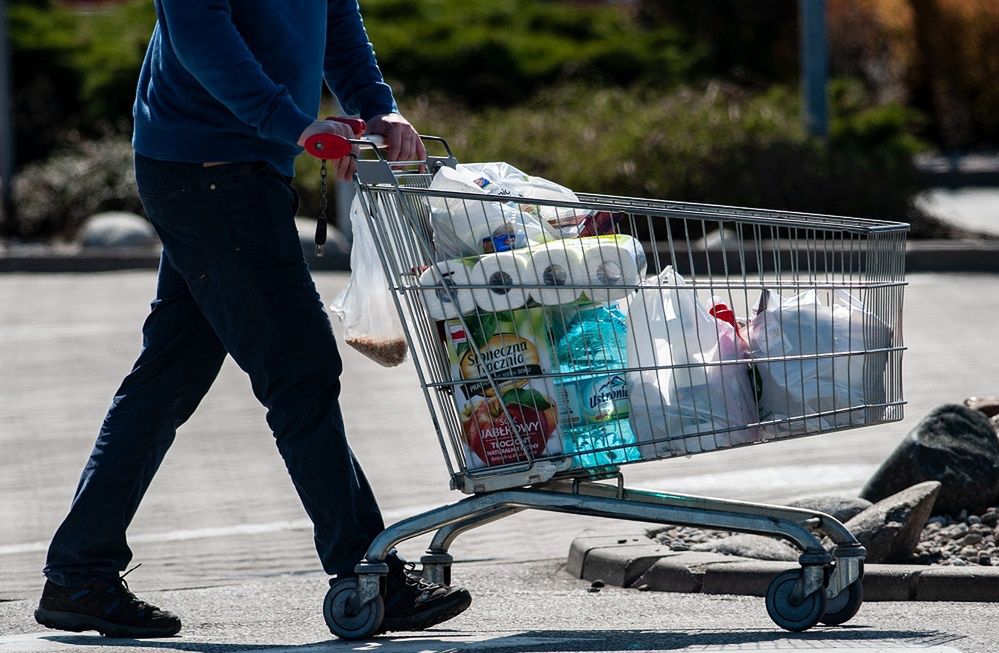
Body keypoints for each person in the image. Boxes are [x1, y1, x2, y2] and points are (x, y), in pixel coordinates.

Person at [33, 0, 471, 639]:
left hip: (236, 168)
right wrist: (292, 124)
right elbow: (200, 33)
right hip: (209, 170)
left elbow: (337, 24)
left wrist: (380, 106)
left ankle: (78, 572)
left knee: (168, 379)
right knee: (301, 369)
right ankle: (365, 572)